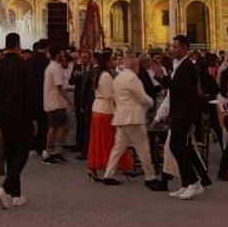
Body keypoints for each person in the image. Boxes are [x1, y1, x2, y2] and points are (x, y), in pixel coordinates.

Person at [0, 32, 33, 209]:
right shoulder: (23, 65)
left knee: (11, 151)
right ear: (18, 45)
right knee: (21, 152)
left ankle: (16, 195)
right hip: (20, 115)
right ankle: (5, 187)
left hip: (3, 115)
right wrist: (34, 118)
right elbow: (29, 93)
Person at [165, 35, 209, 199]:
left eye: (175, 47)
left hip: (184, 112)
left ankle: (193, 182)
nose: (172, 50)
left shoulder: (188, 66)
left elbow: (179, 88)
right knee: (178, 146)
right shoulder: (178, 65)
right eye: (172, 47)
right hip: (178, 111)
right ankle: (187, 183)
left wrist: (161, 78)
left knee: (177, 146)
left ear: (184, 48)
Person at [101, 53, 154, 188]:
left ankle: (109, 174)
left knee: (118, 147)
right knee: (143, 148)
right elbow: (142, 97)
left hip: (121, 116)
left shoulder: (119, 78)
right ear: (133, 64)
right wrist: (151, 102)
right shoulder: (132, 78)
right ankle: (150, 177)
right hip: (133, 117)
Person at [84, 51, 121, 181]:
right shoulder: (105, 76)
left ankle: (96, 166)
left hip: (99, 108)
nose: (114, 62)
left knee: (99, 140)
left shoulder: (99, 74)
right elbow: (107, 94)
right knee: (106, 141)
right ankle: (105, 167)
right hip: (105, 109)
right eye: (112, 60)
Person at [41, 46, 70, 164]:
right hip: (55, 102)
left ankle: (56, 149)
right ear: (57, 55)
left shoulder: (52, 67)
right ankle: (49, 150)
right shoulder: (55, 67)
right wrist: (68, 100)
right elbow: (59, 86)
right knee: (54, 127)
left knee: (63, 125)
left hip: (54, 102)